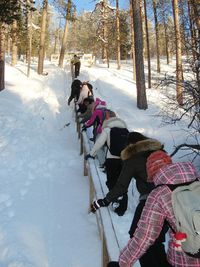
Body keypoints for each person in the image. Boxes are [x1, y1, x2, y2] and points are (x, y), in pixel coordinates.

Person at [91, 132, 171, 267]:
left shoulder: (133, 157)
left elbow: (121, 186)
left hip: (150, 201)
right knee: (156, 241)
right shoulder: (160, 152)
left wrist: (105, 201)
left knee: (137, 235)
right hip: (171, 200)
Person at [109, 152, 200, 267]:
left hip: (184, 260)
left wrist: (123, 262)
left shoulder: (159, 194)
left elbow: (144, 236)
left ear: (152, 174)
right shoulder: (197, 180)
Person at [85, 116, 129, 216]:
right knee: (122, 182)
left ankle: (114, 199)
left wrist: (92, 154)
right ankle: (122, 208)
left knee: (111, 181)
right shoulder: (126, 130)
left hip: (111, 159)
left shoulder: (108, 129)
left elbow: (99, 143)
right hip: (123, 160)